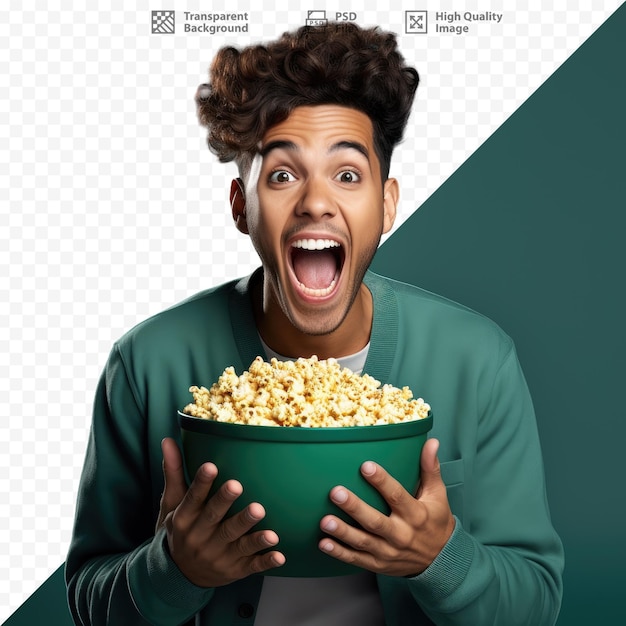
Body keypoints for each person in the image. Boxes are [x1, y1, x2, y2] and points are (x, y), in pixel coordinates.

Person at [65, 22, 564, 625]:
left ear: (386, 205)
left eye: (348, 175)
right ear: (240, 205)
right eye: (281, 175)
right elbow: (89, 599)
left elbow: (535, 602)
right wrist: (173, 571)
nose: (316, 202)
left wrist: (441, 558)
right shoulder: (148, 363)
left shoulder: (478, 361)